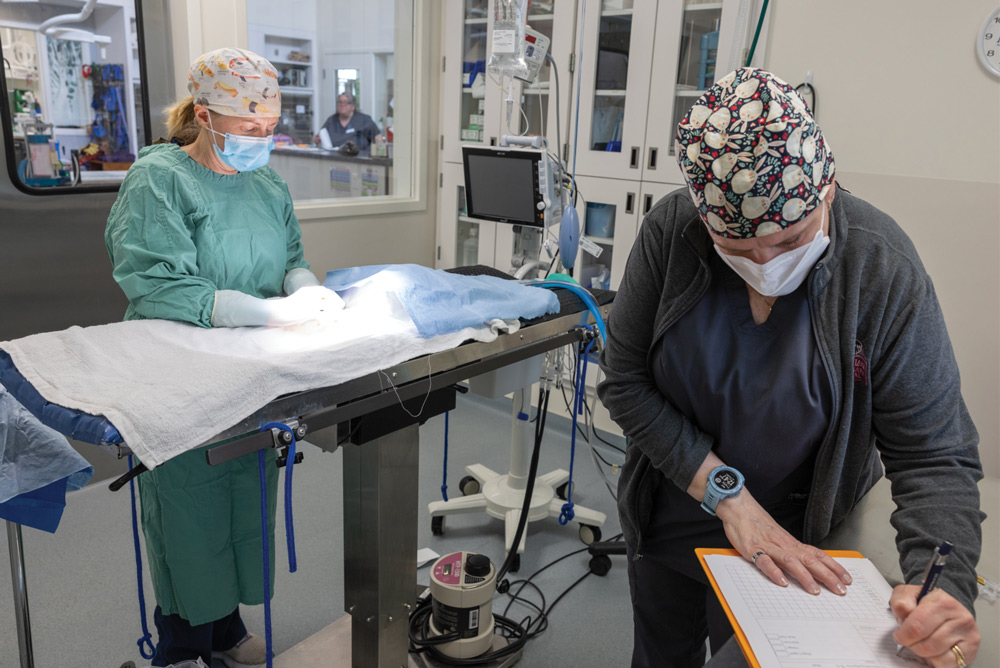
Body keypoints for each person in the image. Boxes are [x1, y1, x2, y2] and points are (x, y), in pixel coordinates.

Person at [597, 67, 983, 668]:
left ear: (826, 186)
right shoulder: (671, 234)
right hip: (675, 510)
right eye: (738, 249)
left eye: (789, 238)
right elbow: (625, 383)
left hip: (802, 542)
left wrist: (943, 588)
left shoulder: (880, 268)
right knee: (660, 654)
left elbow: (933, 452)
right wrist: (731, 499)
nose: (765, 261)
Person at [105, 47, 343, 667]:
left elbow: (290, 254)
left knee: (244, 497)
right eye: (249, 128)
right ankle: (183, 645)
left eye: (270, 129)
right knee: (191, 512)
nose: (262, 140)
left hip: (250, 378)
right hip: (179, 376)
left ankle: (227, 631)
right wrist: (264, 312)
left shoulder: (264, 181)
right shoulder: (160, 180)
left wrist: (302, 288)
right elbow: (158, 285)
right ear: (206, 115)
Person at [314, 92, 383, 151]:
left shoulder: (364, 120)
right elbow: (318, 137)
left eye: (346, 102)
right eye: (340, 102)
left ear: (353, 106)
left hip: (360, 159)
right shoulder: (331, 120)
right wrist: (317, 139)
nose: (342, 104)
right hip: (335, 158)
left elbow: (378, 138)